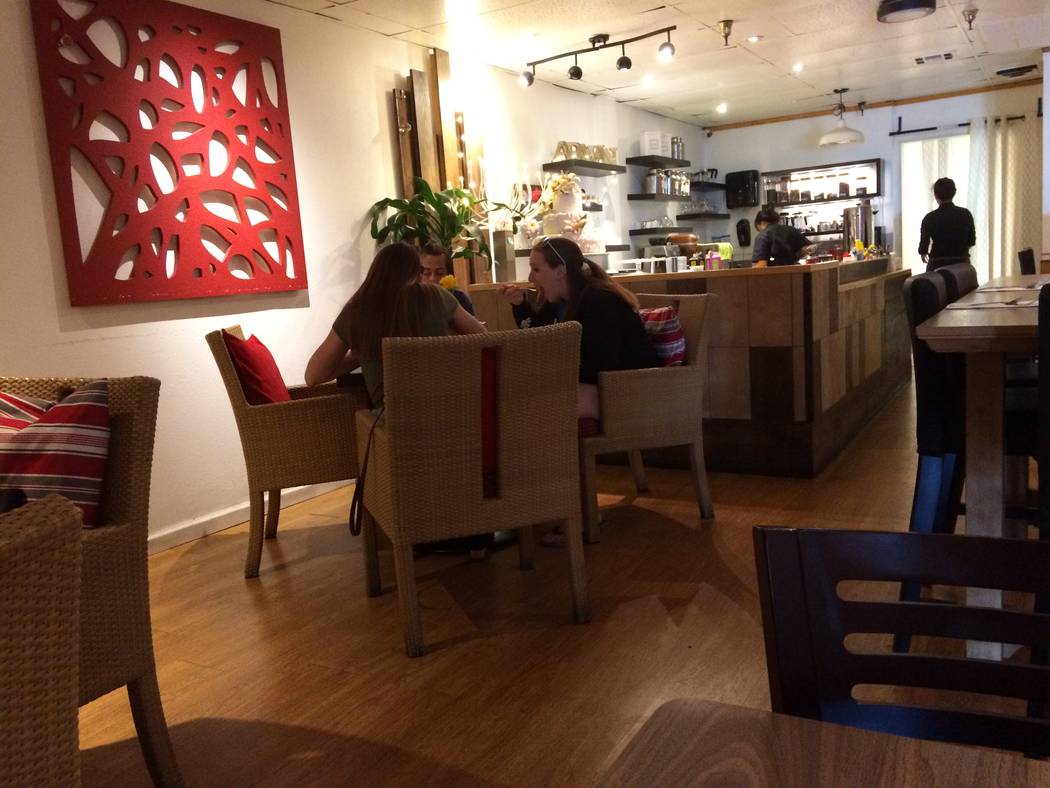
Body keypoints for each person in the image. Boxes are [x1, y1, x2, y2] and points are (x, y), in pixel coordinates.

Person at [305, 241, 485, 408]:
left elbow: (313, 376)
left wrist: (364, 352)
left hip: (390, 421)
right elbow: (484, 339)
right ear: (414, 272)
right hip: (445, 412)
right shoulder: (437, 296)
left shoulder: (358, 310)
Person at [498, 236, 658, 420]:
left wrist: (551, 375)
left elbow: (603, 365)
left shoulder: (599, 299)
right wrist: (520, 304)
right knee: (520, 396)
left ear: (560, 271)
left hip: (632, 389)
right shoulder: (560, 301)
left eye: (536, 269)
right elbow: (537, 334)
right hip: (600, 386)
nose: (530, 278)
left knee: (534, 406)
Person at [918, 177, 975, 271]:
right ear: (954, 193)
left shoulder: (929, 218)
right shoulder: (965, 214)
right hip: (962, 264)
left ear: (935, 195)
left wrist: (923, 253)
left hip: (937, 264)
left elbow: (923, 248)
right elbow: (971, 241)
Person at [420, 240, 476, 316]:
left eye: (439, 273)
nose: (432, 278)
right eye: (427, 273)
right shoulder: (412, 301)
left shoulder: (459, 299)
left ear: (448, 273)